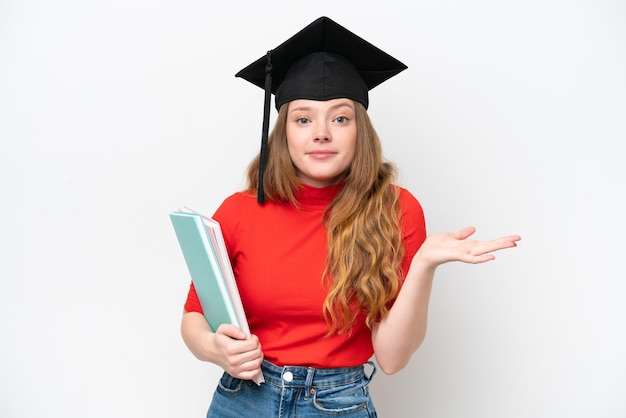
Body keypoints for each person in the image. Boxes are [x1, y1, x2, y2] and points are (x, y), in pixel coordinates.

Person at [180, 16, 521, 417]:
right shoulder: (239, 210)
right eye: (303, 118)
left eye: (340, 118)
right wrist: (215, 349)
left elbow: (392, 359)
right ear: (283, 132)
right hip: (242, 400)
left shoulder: (396, 210)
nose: (321, 132)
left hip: (336, 405)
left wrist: (425, 265)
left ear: (360, 129)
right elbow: (194, 318)